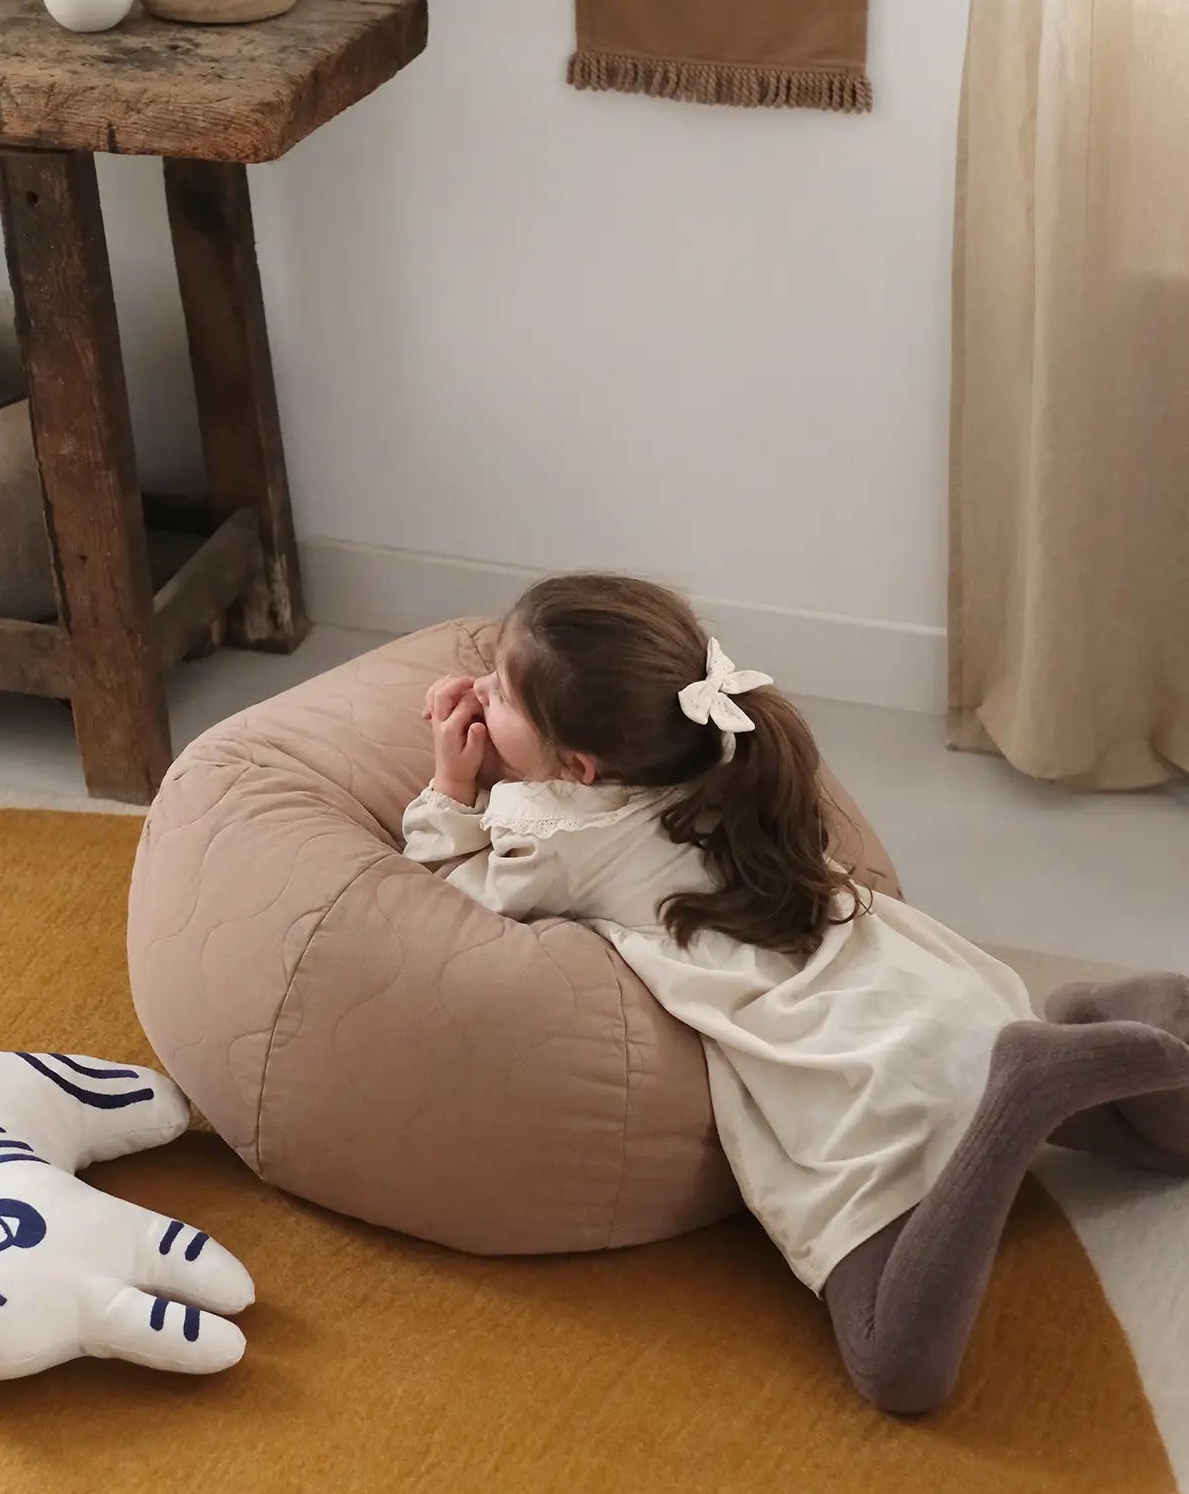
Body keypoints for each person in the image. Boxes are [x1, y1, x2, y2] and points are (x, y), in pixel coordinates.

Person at [400, 573, 1189, 1415]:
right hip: (945, 1005)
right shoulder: (721, 755)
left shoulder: (560, 833)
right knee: (1160, 1140)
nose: (475, 690)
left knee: (893, 1367)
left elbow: (451, 890)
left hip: (855, 1075)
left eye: (499, 692)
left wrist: (450, 785)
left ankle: (1021, 1098)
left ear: (580, 766)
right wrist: (512, 719)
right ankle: (1093, 1016)